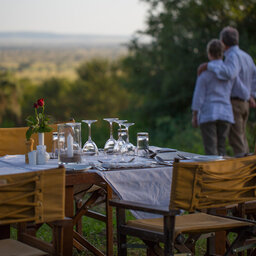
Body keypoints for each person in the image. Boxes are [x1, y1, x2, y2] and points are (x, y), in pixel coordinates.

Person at [197, 26, 256, 156]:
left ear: (223, 42)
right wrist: (251, 95)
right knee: (242, 139)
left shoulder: (232, 56)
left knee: (237, 142)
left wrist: (208, 65)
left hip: (235, 103)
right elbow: (254, 77)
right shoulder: (247, 56)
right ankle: (248, 170)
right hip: (245, 103)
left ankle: (244, 174)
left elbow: (229, 74)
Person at [192, 39, 235, 155]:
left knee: (211, 150)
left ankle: (212, 173)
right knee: (222, 149)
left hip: (208, 113)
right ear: (222, 53)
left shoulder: (204, 73)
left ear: (209, 53)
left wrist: (195, 115)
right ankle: (223, 173)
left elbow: (198, 96)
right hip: (225, 112)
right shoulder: (229, 72)